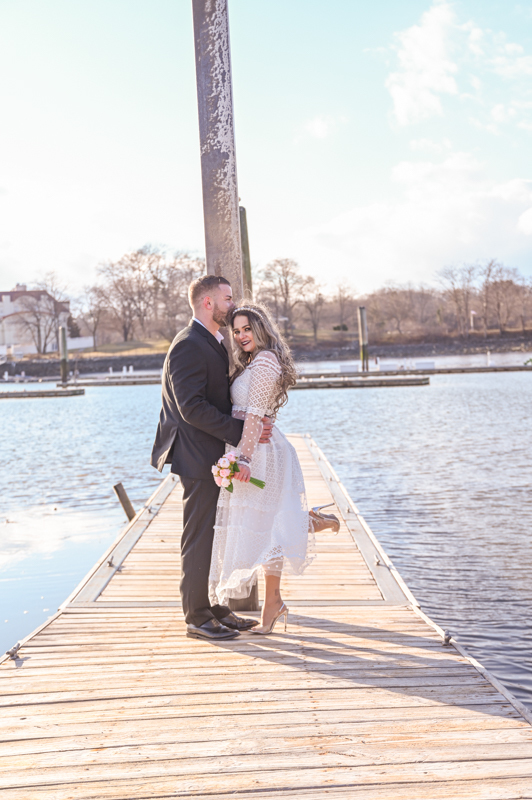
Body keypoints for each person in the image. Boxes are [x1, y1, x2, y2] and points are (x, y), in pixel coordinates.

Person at [150, 275, 274, 641]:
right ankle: (196, 617)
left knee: (216, 534)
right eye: (228, 298)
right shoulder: (188, 345)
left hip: (212, 452)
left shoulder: (212, 341)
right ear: (208, 302)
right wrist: (240, 432)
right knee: (200, 535)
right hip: (196, 454)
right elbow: (191, 408)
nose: (233, 304)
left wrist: (249, 426)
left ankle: (215, 608)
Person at [208, 302, 339, 635]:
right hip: (251, 446)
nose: (241, 336)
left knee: (266, 525)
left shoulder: (266, 360)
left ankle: (274, 600)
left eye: (247, 329)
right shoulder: (253, 360)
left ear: (260, 328)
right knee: (267, 525)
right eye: (236, 331)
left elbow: (254, 415)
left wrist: (244, 458)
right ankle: (275, 600)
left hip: (261, 453)